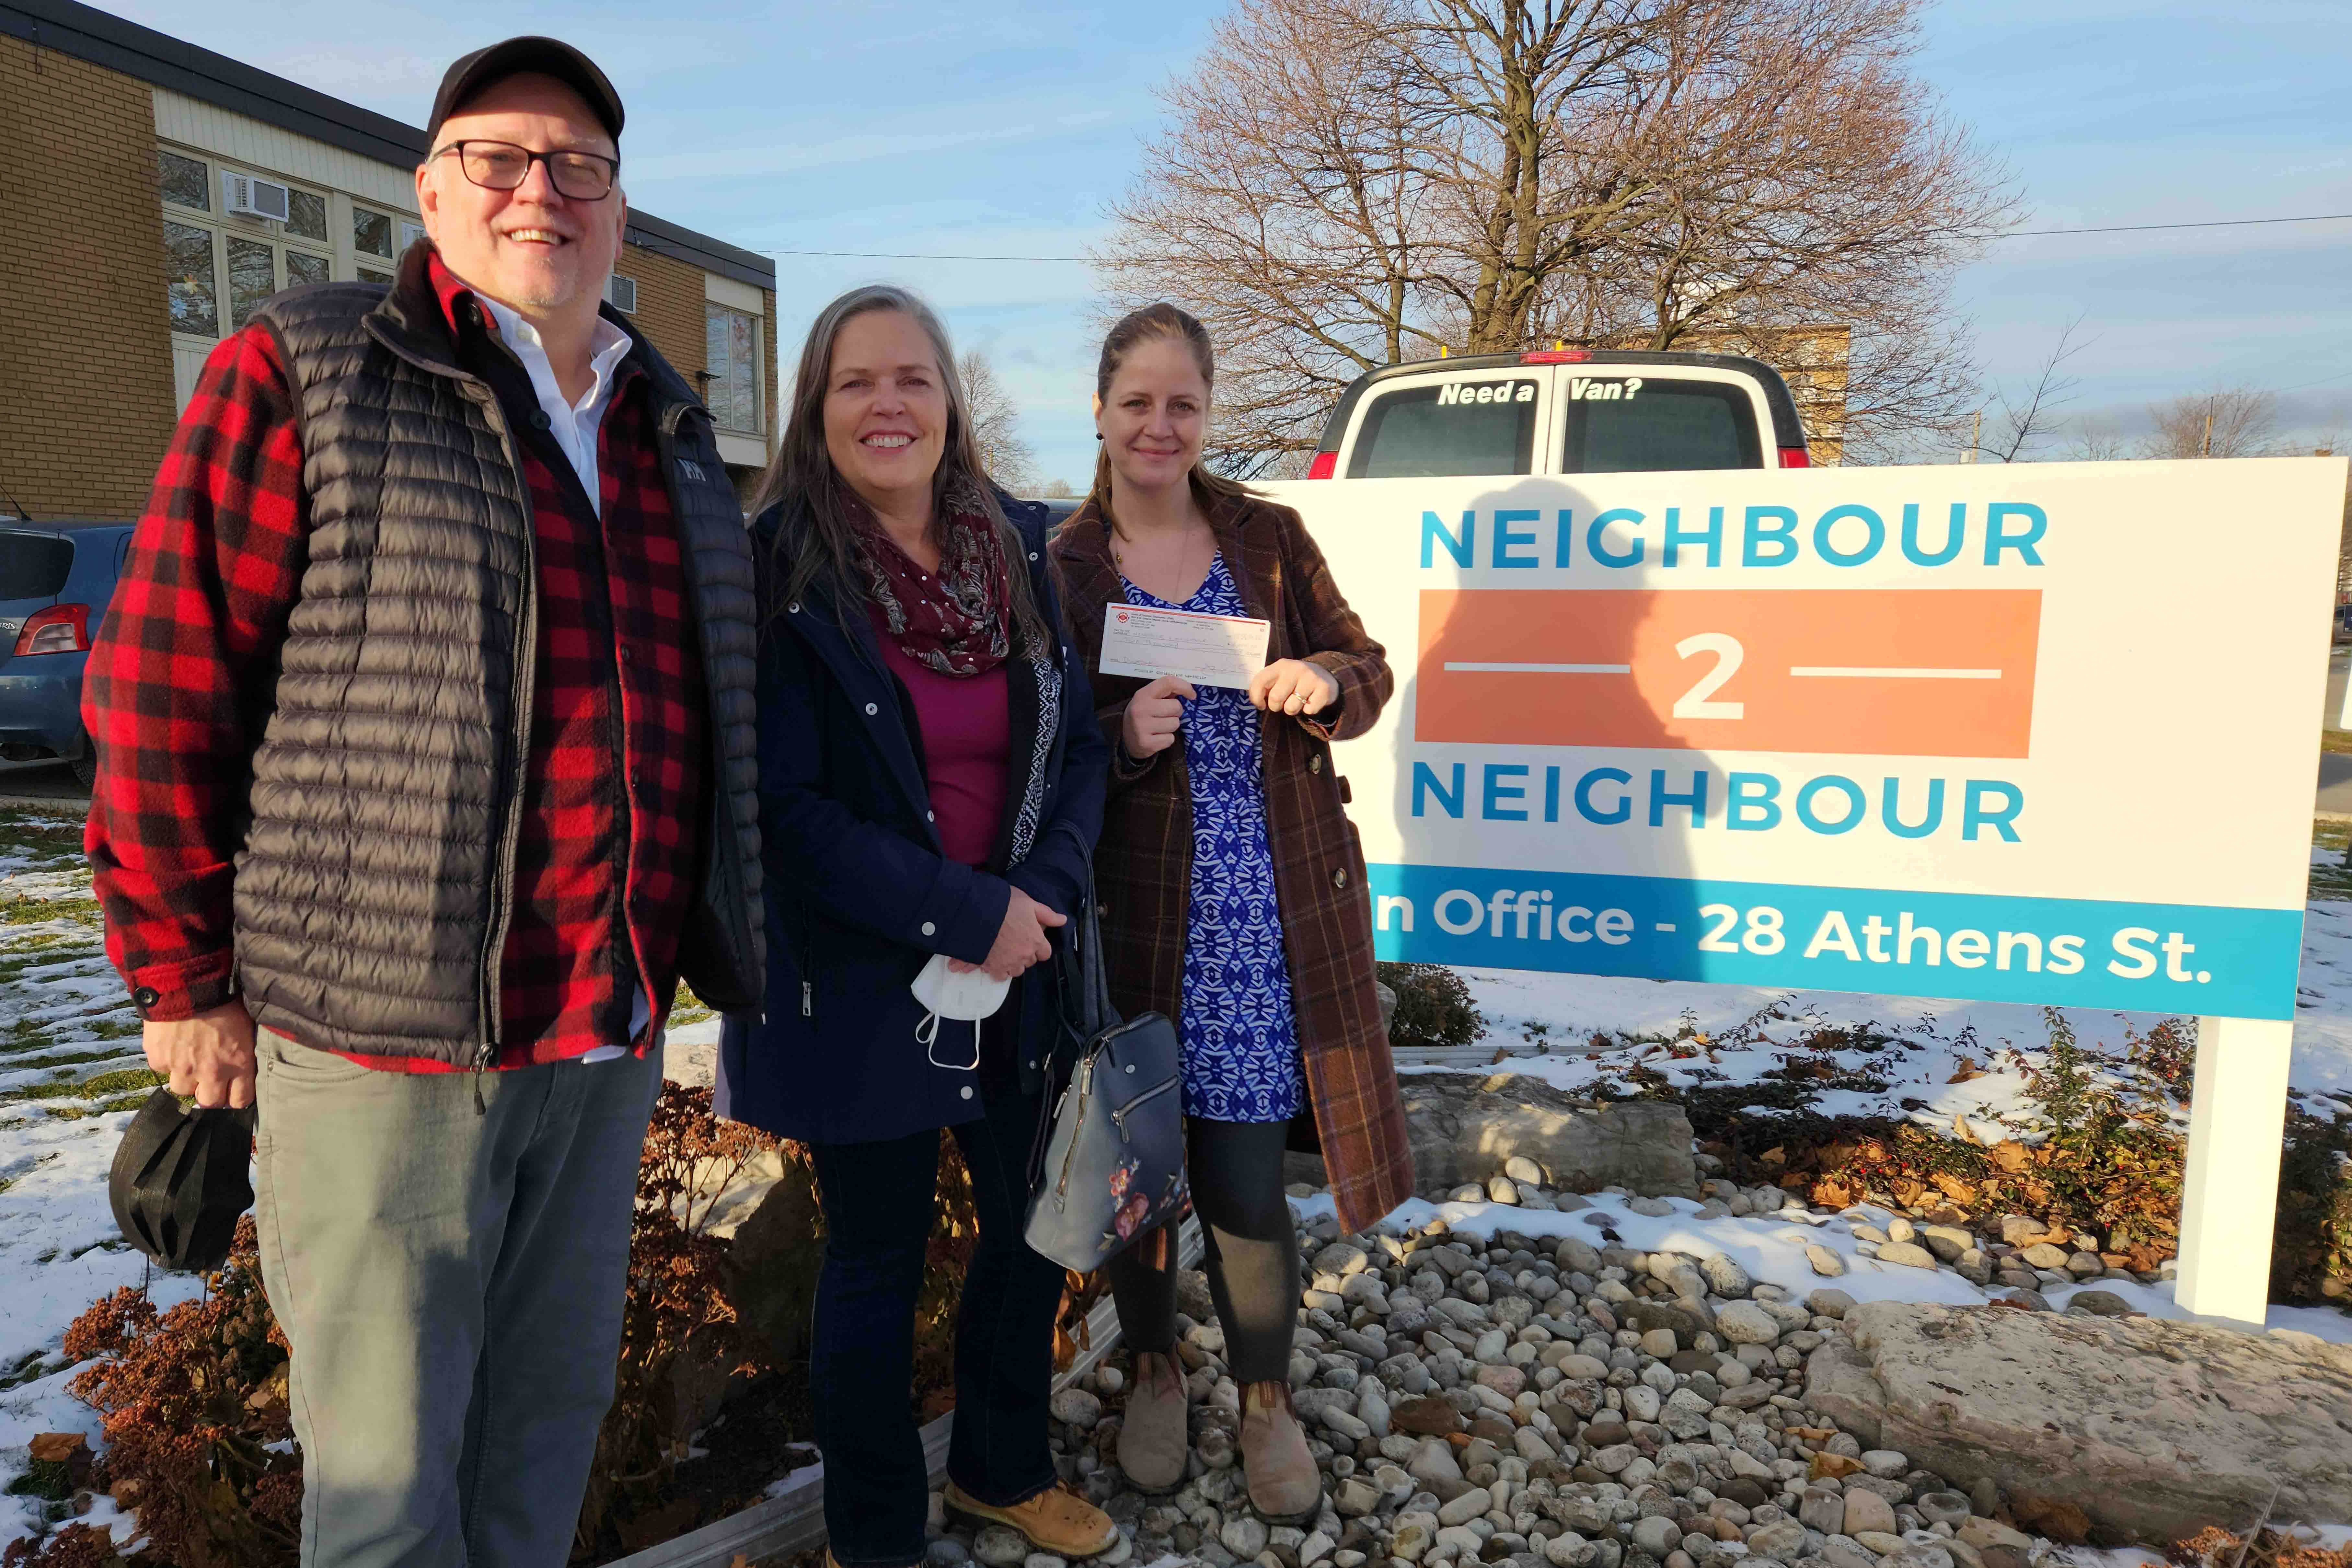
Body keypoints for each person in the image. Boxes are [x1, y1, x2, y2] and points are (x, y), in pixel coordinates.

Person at [81, 38, 764, 1567]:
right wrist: (181, 975)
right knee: (389, 1499)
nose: (542, 190)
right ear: (431, 190)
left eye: (577, 165)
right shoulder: (311, 367)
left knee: (541, 1448)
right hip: (384, 1046)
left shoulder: (666, 427)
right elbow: (160, 680)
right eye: (501, 159)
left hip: (599, 1038)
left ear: (619, 207)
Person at [716, 285, 1113, 1568]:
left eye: (913, 380)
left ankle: (1002, 1468)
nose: (887, 404)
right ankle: (875, 1532)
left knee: (1028, 1230)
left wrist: (1035, 895)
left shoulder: (1018, 552)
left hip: (1021, 964)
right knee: (876, 1258)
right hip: (864, 977)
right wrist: (966, 908)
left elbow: (1077, 755)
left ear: (952, 405)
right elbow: (783, 807)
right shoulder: (778, 568)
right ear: (816, 410)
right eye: (855, 382)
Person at [1047, 304, 1417, 1522]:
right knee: (1143, 1179)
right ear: (1098, 411)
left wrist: (1327, 683)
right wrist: (1120, 735)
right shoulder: (1059, 564)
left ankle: (1265, 1396)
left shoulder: (1267, 536)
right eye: (1137, 402)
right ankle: (1154, 1367)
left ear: (1207, 415)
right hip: (1135, 918)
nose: (1160, 425)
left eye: (1183, 404)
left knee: (1248, 1187)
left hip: (1261, 917)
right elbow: (1032, 742)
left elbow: (1368, 665)